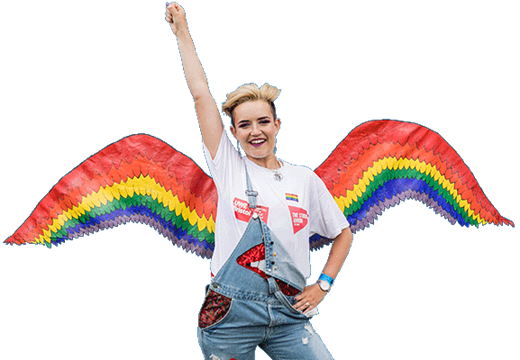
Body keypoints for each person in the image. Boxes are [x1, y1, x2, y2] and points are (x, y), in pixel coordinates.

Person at [165, 3, 353, 359]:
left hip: (290, 312)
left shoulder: (304, 178)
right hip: (230, 314)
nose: (256, 131)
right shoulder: (229, 167)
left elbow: (343, 233)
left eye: (263, 121)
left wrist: (323, 285)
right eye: (245, 125)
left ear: (276, 125)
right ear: (233, 132)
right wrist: (183, 33)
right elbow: (201, 95)